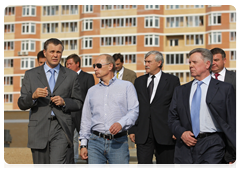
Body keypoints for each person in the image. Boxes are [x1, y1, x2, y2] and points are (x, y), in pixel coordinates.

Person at [18, 38, 83, 168]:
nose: (55, 55)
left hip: (61, 128)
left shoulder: (71, 76)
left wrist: (65, 102)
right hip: (38, 129)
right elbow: (21, 103)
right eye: (52, 51)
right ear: (45, 52)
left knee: (57, 165)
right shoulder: (30, 75)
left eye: (58, 52)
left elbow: (78, 102)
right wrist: (33, 96)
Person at [168, 48, 238, 168]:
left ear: (207, 64)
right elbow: (172, 118)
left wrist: (232, 153)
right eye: (190, 63)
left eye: (194, 62)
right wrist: (181, 132)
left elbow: (232, 122)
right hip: (187, 145)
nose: (191, 66)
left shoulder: (224, 89)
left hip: (213, 144)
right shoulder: (181, 90)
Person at [79, 54, 139, 168]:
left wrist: (121, 123)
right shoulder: (92, 91)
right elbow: (86, 119)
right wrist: (83, 145)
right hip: (95, 142)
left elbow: (134, 111)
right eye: (94, 66)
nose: (95, 69)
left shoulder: (127, 86)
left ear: (110, 66)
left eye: (98, 65)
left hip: (118, 142)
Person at [128, 51, 180, 168]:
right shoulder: (139, 81)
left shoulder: (172, 81)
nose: (146, 64)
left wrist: (176, 129)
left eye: (149, 62)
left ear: (159, 63)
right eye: (145, 62)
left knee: (165, 165)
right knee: (143, 165)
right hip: (143, 132)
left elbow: (176, 106)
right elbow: (133, 107)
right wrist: (132, 129)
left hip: (165, 132)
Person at [65, 54, 95, 168]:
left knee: (87, 139)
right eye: (67, 64)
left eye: (70, 64)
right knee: (70, 141)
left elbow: (90, 96)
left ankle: (90, 163)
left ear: (77, 64)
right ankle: (71, 165)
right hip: (69, 114)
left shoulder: (87, 77)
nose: (68, 66)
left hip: (83, 114)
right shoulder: (66, 78)